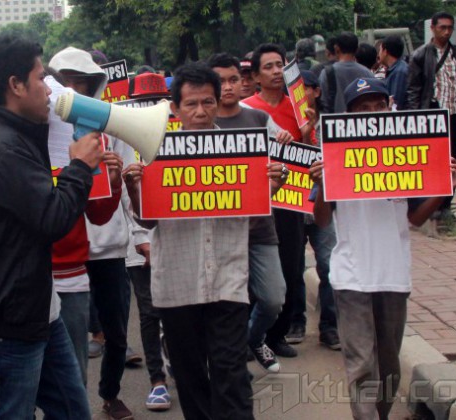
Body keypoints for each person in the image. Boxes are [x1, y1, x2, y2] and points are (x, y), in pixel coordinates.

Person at [123, 61, 287, 420]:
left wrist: (272, 186)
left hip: (228, 278)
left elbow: (254, 213)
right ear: (175, 108)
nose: (200, 111)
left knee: (232, 373)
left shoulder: (243, 149)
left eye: (208, 102)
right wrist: (134, 188)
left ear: (218, 101)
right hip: (177, 283)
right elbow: (147, 220)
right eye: (191, 104)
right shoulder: (155, 150)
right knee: (190, 375)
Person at [0, 35, 102, 419]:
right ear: (16, 85)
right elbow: (53, 218)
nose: (50, 91)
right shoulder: (2, 149)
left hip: (33, 311)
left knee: (72, 411)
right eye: (40, 79)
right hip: (8, 322)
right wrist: (80, 167)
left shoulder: (0, 138)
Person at [310, 76, 456, 420]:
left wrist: (446, 186)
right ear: (349, 116)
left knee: (390, 366)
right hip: (351, 277)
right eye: (363, 108)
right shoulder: (333, 156)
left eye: (379, 106)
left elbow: (416, 218)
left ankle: (380, 413)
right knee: (362, 362)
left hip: (393, 275)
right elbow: (321, 219)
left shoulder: (407, 155)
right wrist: (322, 185)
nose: (373, 113)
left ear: (390, 108)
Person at [49, 46, 138, 419]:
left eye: (81, 83)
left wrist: (115, 181)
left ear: (93, 86)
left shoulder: (109, 124)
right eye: (65, 82)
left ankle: (110, 393)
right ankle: (72, 403)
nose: (73, 90)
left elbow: (122, 188)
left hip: (108, 245)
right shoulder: (42, 131)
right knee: (66, 339)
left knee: (116, 331)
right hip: (63, 252)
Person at [208, 52, 290, 373]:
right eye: (220, 82)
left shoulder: (258, 119)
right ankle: (231, 366)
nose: (228, 87)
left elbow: (283, 167)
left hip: (259, 229)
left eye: (233, 80)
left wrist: (283, 158)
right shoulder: (200, 122)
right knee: (228, 303)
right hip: (219, 234)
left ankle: (254, 338)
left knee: (273, 298)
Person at [241, 43, 315, 358]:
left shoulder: (299, 108)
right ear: (256, 76)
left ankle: (277, 335)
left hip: (291, 200)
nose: (275, 71)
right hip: (255, 200)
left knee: (290, 266)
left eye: (279, 65)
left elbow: (310, 155)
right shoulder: (244, 109)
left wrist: (307, 130)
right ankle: (248, 335)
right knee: (250, 270)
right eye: (268, 67)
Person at [123, 70, 173, 411]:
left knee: (177, 310)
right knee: (149, 312)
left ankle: (177, 359)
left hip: (173, 238)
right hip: (139, 242)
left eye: (157, 102)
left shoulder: (179, 133)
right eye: (144, 103)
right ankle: (157, 380)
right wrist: (141, 237)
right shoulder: (121, 133)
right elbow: (124, 192)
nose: (150, 109)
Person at [287, 70, 340, 351]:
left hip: (323, 207)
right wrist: (302, 135)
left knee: (329, 266)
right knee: (293, 267)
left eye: (304, 88)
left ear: (316, 92)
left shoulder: (332, 126)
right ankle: (296, 322)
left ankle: (329, 327)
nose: (299, 95)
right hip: (293, 207)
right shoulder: (285, 123)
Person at [408, 12, 456, 161]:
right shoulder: (420, 55)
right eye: (442, 27)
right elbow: (413, 90)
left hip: (455, 113)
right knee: (434, 156)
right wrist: (415, 118)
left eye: (450, 28)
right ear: (432, 28)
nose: (447, 32)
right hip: (433, 113)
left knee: (455, 155)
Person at [319, 32, 374, 113]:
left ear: (336, 48)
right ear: (357, 50)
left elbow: (322, 103)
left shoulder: (326, 73)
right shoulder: (368, 73)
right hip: (360, 119)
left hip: (335, 120)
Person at [379, 35, 409, 110]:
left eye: (380, 50)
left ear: (385, 52)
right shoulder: (397, 69)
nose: (378, 54)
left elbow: (396, 103)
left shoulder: (399, 72)